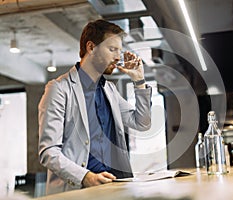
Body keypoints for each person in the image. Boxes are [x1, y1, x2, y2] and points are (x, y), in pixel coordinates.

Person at [38, 19, 152, 195]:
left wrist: (139, 82)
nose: (117, 57)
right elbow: (49, 151)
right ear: (91, 48)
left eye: (119, 51)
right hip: (78, 190)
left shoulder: (109, 90)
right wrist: (86, 176)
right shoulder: (58, 89)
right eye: (112, 49)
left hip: (114, 187)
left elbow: (142, 123)